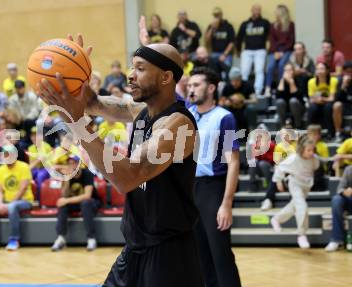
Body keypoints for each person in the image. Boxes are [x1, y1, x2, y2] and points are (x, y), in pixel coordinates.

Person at [38, 35, 204, 286]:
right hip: (135, 248)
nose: (130, 74)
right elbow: (92, 103)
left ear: (166, 77)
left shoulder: (177, 126)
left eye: (140, 68)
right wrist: (72, 77)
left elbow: (127, 177)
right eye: (131, 67)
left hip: (168, 256)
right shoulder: (139, 112)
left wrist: (78, 123)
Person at [187, 68, 241, 287]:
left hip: (213, 189)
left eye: (196, 85)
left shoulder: (224, 118)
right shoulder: (187, 114)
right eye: (189, 85)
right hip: (190, 188)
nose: (191, 89)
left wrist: (226, 203)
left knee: (220, 252)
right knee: (199, 253)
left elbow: (234, 162)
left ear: (211, 88)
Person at [0, 145, 33, 251]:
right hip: (7, 201)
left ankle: (14, 239)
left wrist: (8, 205)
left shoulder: (24, 167)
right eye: (5, 154)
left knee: (12, 207)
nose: (7, 156)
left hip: (25, 201)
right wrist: (0, 204)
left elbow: (22, 189)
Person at [270, 134, 320, 249]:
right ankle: (301, 234)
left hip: (306, 186)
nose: (311, 152)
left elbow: (315, 168)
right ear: (302, 149)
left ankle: (276, 219)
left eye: (313, 150)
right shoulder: (293, 159)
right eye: (308, 150)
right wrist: (278, 181)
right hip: (295, 184)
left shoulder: (314, 159)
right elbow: (279, 168)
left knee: (294, 206)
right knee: (302, 206)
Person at [52, 155, 101, 251]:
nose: (71, 166)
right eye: (69, 164)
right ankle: (60, 238)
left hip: (92, 202)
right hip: (76, 202)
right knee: (63, 206)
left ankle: (91, 238)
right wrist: (66, 179)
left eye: (74, 163)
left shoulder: (87, 174)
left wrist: (66, 200)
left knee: (85, 203)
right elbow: (64, 196)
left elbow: (87, 196)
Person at [236, 4, 270, 95]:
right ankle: (243, 91)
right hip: (247, 51)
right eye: (255, 9)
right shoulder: (245, 24)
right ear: (251, 11)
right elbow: (239, 38)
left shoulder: (265, 23)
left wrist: (269, 50)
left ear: (260, 11)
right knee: (244, 72)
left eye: (258, 10)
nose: (256, 11)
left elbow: (270, 37)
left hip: (260, 50)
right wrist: (238, 50)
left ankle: (258, 92)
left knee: (259, 71)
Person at [260, 128, 297, 210]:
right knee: (275, 179)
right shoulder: (279, 147)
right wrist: (278, 180)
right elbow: (277, 164)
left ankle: (293, 203)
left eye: (286, 135)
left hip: (295, 172)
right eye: (282, 135)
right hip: (283, 172)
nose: (284, 137)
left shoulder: (297, 145)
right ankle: (268, 200)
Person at [264, 5, 295, 96]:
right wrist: (276, 52)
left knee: (282, 65)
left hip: (286, 49)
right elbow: (272, 41)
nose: (275, 14)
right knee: (270, 66)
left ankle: (280, 87)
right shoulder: (273, 26)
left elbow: (291, 41)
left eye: (276, 12)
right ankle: (268, 88)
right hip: (274, 50)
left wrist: (282, 52)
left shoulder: (291, 25)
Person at [307, 62, 339, 139]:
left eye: (322, 69)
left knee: (328, 107)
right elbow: (311, 99)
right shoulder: (311, 82)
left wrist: (322, 99)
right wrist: (318, 100)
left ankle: (330, 133)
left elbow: (332, 98)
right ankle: (312, 133)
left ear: (327, 70)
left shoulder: (333, 80)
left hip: (328, 103)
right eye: (318, 69)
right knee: (312, 108)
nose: (320, 71)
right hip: (317, 103)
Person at [325, 165, 352, 252]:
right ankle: (336, 240)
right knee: (336, 200)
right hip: (349, 200)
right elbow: (340, 188)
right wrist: (344, 191)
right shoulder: (349, 169)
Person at [275, 63, 304, 128]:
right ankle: (282, 125)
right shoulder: (281, 81)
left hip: (298, 106)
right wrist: (282, 80)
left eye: (290, 70)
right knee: (279, 102)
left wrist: (291, 82)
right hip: (285, 107)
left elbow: (298, 96)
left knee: (293, 101)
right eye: (286, 70)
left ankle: (298, 125)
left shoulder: (299, 79)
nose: (288, 72)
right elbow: (278, 96)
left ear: (293, 71)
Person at [27, 127, 52, 198]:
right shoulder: (30, 148)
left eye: (36, 135)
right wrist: (38, 160)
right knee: (24, 176)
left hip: (45, 169)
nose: (34, 137)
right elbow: (31, 164)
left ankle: (40, 200)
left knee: (40, 176)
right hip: (35, 169)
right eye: (32, 136)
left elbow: (49, 164)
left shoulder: (47, 147)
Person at [333, 61, 352, 142]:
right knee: (337, 105)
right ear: (344, 72)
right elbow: (336, 98)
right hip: (344, 106)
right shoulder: (339, 81)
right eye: (347, 72)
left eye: (351, 72)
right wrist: (343, 86)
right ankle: (338, 133)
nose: (349, 74)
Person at [307, 124, 329, 191]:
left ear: (319, 135)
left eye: (315, 134)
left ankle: (316, 188)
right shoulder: (305, 145)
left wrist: (315, 153)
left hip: (319, 169)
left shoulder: (323, 146)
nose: (313, 137)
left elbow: (325, 161)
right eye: (311, 134)